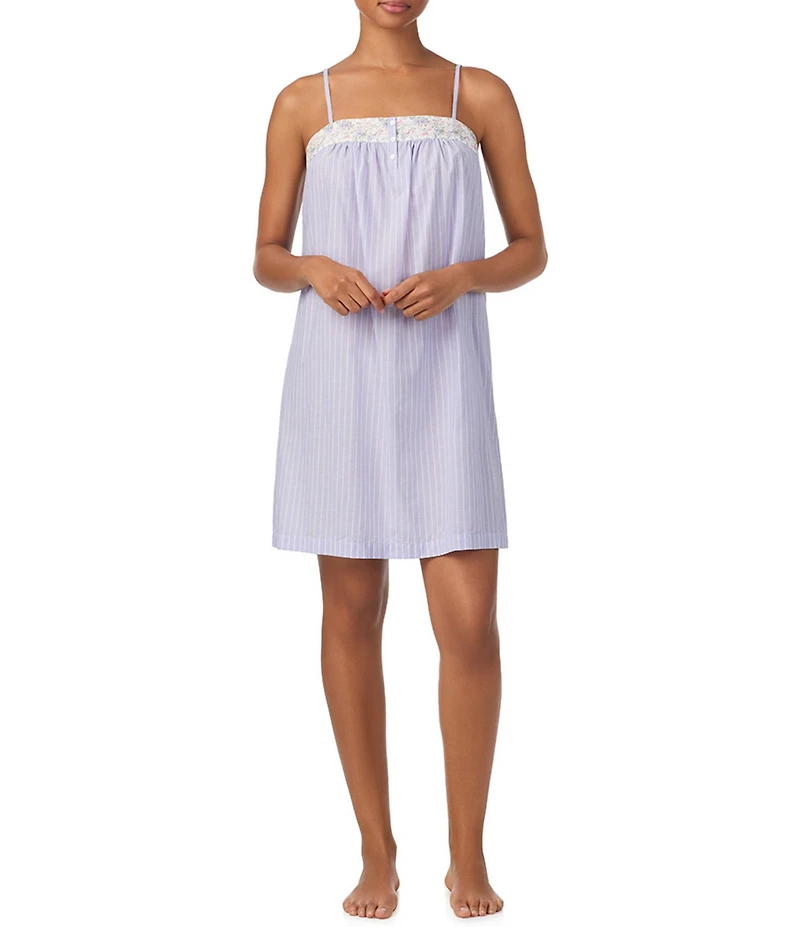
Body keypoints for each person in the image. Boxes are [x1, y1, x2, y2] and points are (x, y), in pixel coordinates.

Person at [253, 0, 546, 918]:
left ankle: (468, 852)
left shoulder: (478, 93)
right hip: (339, 379)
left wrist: (465, 275)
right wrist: (311, 268)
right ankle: (376, 848)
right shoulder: (304, 100)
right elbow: (265, 255)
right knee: (351, 613)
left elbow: (532, 249)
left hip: (446, 379)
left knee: (471, 626)